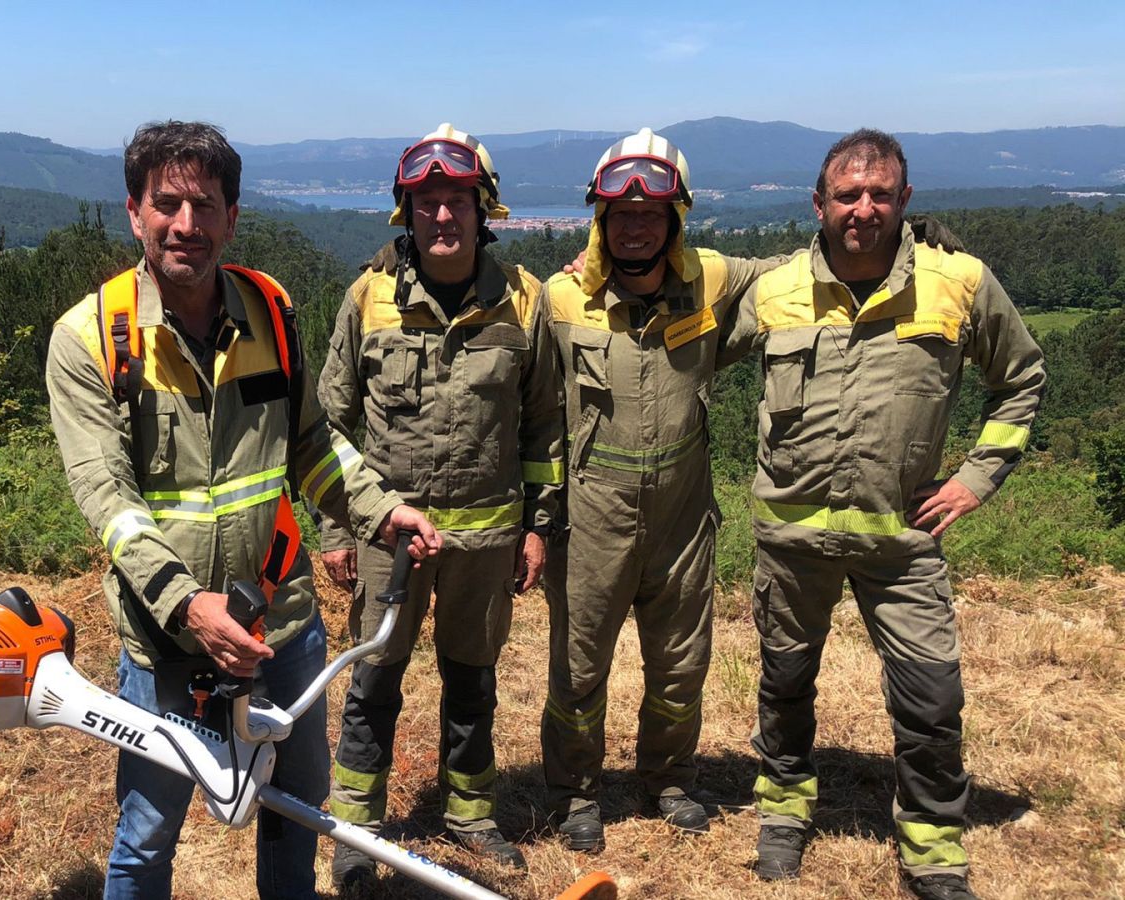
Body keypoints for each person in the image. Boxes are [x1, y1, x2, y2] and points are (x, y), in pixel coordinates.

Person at [43, 120, 438, 900]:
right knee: (150, 831)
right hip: (167, 643)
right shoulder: (92, 339)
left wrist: (382, 511)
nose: (185, 224)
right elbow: (109, 500)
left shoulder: (271, 311)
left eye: (204, 204)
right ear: (134, 211)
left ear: (231, 215)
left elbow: (315, 448)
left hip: (282, 628)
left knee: (296, 810)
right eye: (166, 204)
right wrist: (189, 607)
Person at [722, 129, 1045, 900]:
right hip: (792, 537)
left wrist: (975, 477)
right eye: (847, 194)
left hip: (902, 539)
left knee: (931, 698)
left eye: (879, 194)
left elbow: (1022, 377)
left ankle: (933, 849)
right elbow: (680, 343)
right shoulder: (775, 289)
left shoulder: (957, 283)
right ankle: (784, 812)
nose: (862, 208)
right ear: (820, 204)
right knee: (785, 681)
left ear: (904, 199)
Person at [315, 123, 563, 886]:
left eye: (456, 200)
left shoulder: (522, 302)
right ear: (406, 211)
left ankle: (470, 813)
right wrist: (337, 522)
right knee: (373, 679)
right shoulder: (369, 298)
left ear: (482, 208)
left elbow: (545, 422)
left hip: (486, 540)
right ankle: (356, 828)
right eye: (427, 203)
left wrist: (537, 528)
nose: (442, 217)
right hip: (389, 534)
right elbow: (328, 420)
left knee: (472, 679)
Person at [537, 128, 788, 853]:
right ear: (600, 221)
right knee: (579, 670)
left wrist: (897, 245)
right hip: (592, 517)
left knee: (682, 666)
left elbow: (790, 275)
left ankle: (669, 779)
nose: (636, 226)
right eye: (621, 216)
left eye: (652, 214)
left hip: (682, 516)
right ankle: (575, 793)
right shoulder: (561, 296)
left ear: (676, 218)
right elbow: (526, 403)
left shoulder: (708, 279)